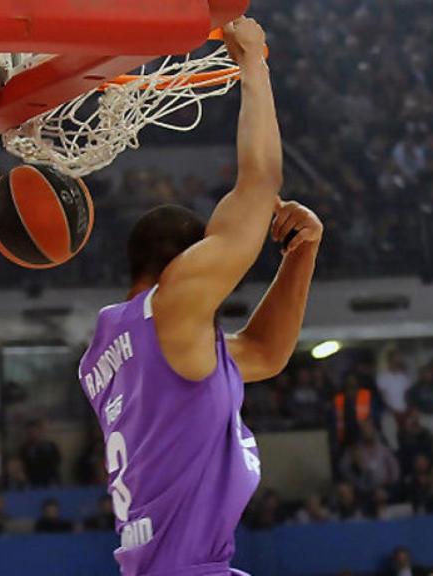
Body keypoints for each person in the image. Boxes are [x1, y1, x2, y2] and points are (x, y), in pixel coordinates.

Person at [78, 17, 319, 576]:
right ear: (185, 265)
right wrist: (252, 61)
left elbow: (263, 353)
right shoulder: (171, 307)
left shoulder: (112, 348)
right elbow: (259, 183)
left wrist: (300, 254)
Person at [18, 420, 61, 488]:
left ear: (40, 432)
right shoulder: (24, 449)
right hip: (32, 482)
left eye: (34, 431)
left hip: (50, 481)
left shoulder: (50, 446)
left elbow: (57, 461)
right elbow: (21, 466)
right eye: (29, 433)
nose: (32, 435)